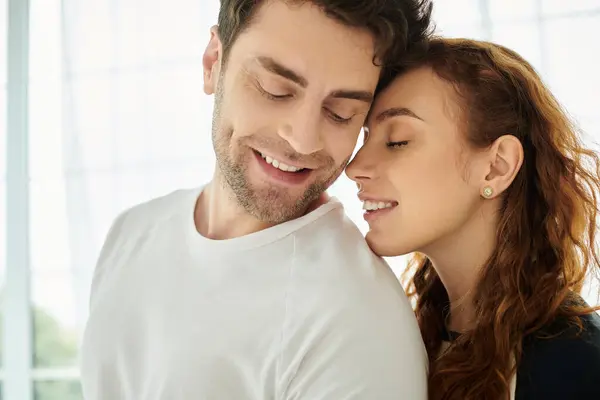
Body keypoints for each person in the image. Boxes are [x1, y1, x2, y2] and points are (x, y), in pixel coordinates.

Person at [80, 1, 434, 399]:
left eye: (340, 113)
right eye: (275, 89)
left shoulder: (359, 322)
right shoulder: (131, 233)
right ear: (214, 62)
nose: (301, 139)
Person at [347, 37, 600, 399]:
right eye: (365, 138)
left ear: (496, 167)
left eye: (397, 140)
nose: (354, 168)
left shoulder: (576, 366)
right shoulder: (413, 339)